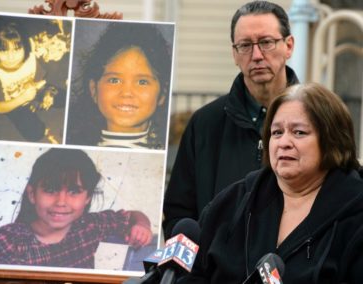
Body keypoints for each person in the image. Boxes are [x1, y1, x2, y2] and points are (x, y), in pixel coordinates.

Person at [180, 82, 363, 283]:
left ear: (331, 140)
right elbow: (194, 274)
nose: (284, 142)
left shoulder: (355, 212)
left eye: (299, 132)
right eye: (276, 132)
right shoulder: (236, 200)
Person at [163, 0, 299, 239]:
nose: (256, 55)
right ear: (234, 54)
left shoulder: (318, 121)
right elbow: (178, 214)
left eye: (266, 42)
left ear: (289, 46)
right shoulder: (205, 124)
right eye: (245, 45)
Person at [0, 148, 153, 268]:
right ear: (32, 194)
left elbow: (134, 216)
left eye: (74, 191)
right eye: (51, 190)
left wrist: (142, 226)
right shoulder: (11, 240)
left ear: (87, 197)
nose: (61, 202)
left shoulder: (89, 227)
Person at [66, 21, 173, 149]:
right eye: (114, 80)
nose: (126, 93)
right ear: (94, 90)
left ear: (162, 95)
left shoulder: (170, 151)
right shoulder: (70, 144)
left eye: (142, 82)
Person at [0, 16, 66, 143]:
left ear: (25, 47)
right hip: (13, 105)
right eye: (4, 50)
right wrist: (24, 98)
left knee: (63, 97)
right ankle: (32, 109)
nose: (11, 57)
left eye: (17, 49)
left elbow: (39, 78)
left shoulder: (30, 58)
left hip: (32, 91)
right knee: (35, 134)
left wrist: (46, 92)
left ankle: (38, 104)